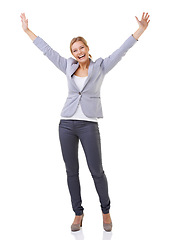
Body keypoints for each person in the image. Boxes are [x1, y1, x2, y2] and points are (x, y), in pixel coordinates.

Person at [20, 12, 150, 232]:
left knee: (96, 170)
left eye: (81, 48)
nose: (78, 52)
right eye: (74, 50)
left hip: (89, 125)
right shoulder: (68, 66)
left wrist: (140, 30)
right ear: (72, 54)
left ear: (88, 49)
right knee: (71, 172)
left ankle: (106, 211)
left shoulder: (100, 67)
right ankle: (78, 214)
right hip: (66, 125)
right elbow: (47, 51)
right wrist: (27, 31)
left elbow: (122, 51)